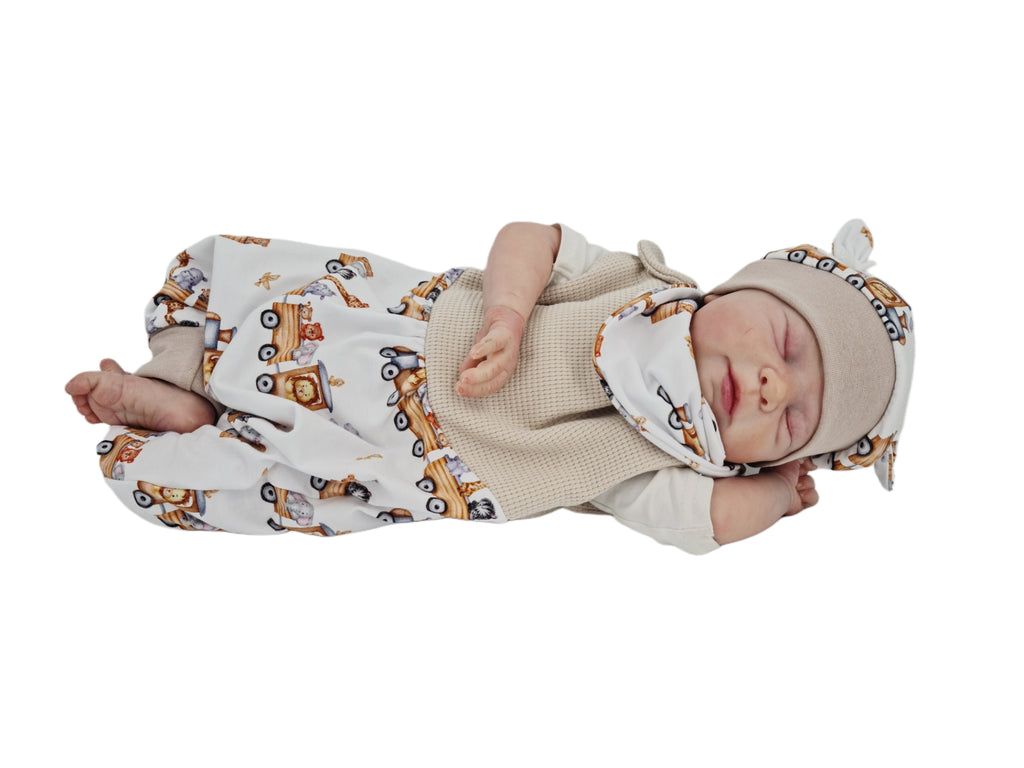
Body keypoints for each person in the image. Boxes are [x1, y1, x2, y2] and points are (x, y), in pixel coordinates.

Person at [66, 220, 914, 553]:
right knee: (260, 303)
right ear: (739, 287)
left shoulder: (661, 460)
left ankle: (180, 422)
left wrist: (776, 493)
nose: (770, 388)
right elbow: (531, 239)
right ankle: (179, 367)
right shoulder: (641, 284)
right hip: (411, 329)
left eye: (793, 420)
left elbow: (705, 523)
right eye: (788, 346)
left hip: (413, 465)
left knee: (274, 476)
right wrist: (509, 312)